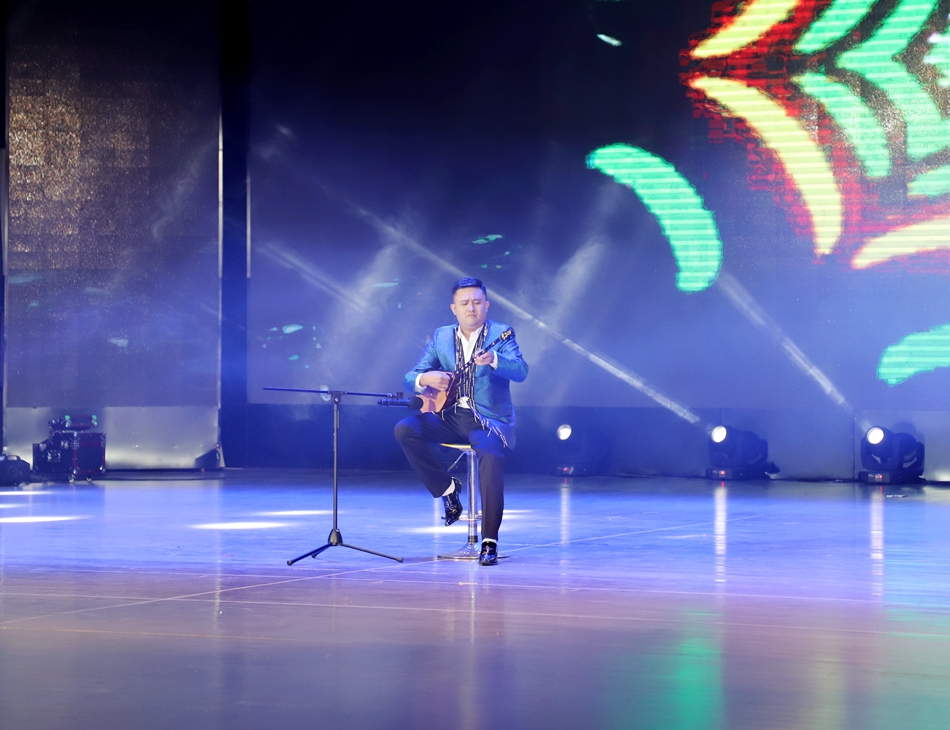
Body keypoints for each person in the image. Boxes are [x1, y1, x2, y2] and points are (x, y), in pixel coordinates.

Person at [394, 277, 528, 566]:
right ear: (454, 308)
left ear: (487, 306)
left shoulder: (501, 333)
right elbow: (410, 376)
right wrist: (425, 378)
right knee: (405, 429)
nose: (471, 308)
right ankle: (447, 489)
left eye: (477, 302)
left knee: (490, 455)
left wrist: (494, 359)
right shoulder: (442, 336)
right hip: (450, 416)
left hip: (486, 420)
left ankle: (489, 541)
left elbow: (521, 371)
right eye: (465, 303)